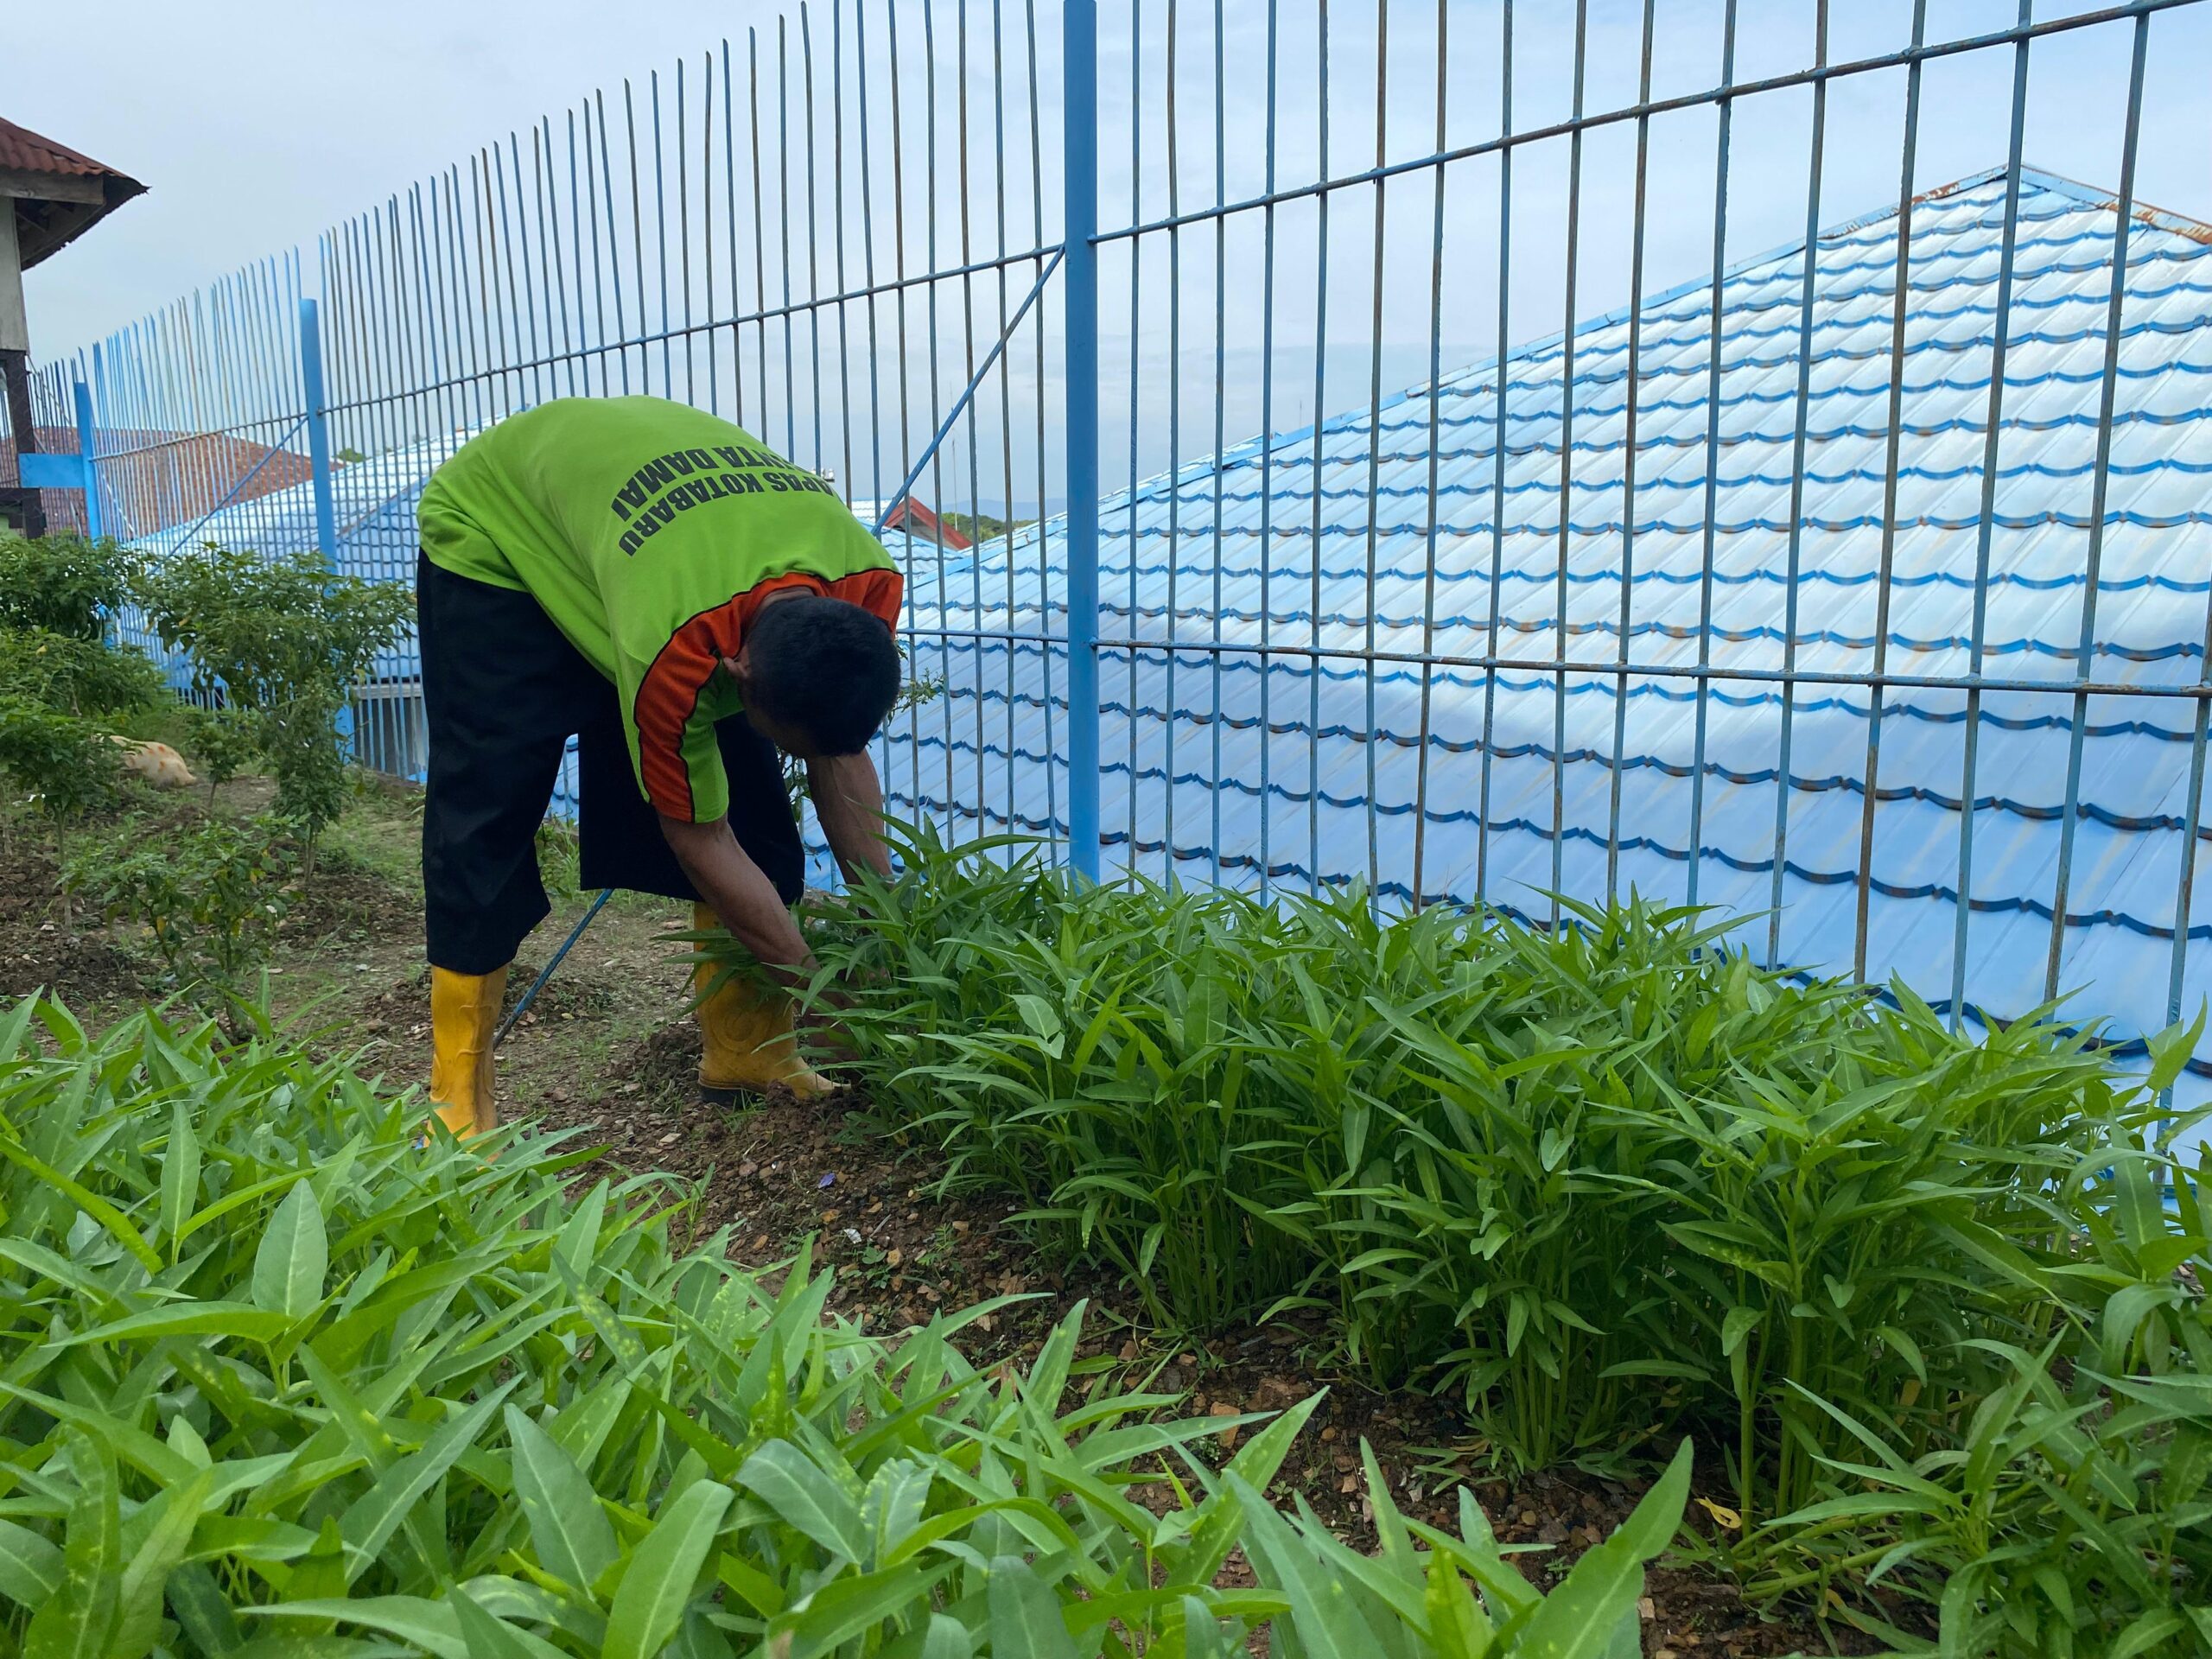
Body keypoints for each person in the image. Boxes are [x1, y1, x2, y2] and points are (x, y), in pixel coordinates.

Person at [412, 395, 905, 1141]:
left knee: (754, 804)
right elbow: (699, 838)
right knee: (490, 804)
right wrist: (818, 989)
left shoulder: (867, 588)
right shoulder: (676, 651)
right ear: (735, 669)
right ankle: (458, 1103)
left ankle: (750, 1053)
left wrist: (889, 931)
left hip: (655, 543)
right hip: (499, 532)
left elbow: (842, 752)